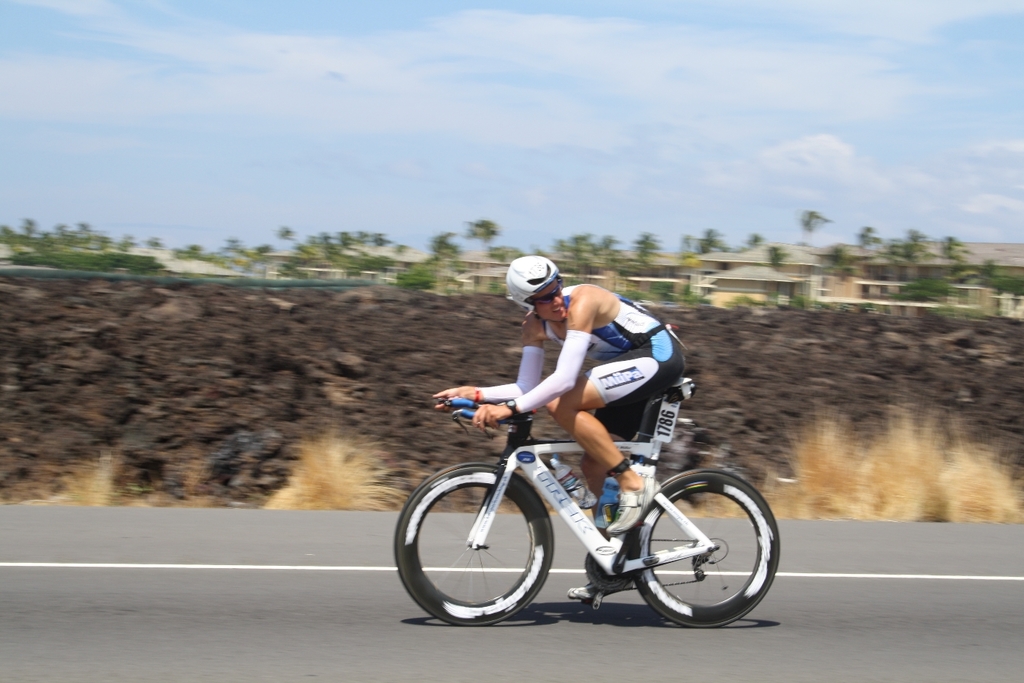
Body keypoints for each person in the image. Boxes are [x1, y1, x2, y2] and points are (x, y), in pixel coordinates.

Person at [433, 255, 685, 601]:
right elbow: (526, 387)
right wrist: (477, 394)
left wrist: (507, 410)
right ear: (527, 305)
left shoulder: (583, 302)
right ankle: (613, 563)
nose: (555, 301)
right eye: (544, 299)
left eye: (556, 289)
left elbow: (564, 381)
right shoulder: (533, 326)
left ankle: (633, 484)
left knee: (561, 404)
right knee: (594, 463)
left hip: (658, 356)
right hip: (627, 372)